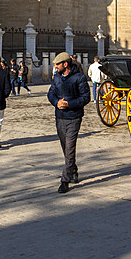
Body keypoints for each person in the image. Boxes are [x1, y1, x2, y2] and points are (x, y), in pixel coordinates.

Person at [48, 51, 90, 193]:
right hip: (60, 117)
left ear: (65, 64)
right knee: (65, 147)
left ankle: (65, 180)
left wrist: (69, 104)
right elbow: (51, 93)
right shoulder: (57, 77)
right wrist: (56, 102)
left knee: (70, 148)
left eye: (57, 64)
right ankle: (73, 170)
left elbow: (86, 97)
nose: (55, 66)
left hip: (74, 117)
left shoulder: (79, 78)